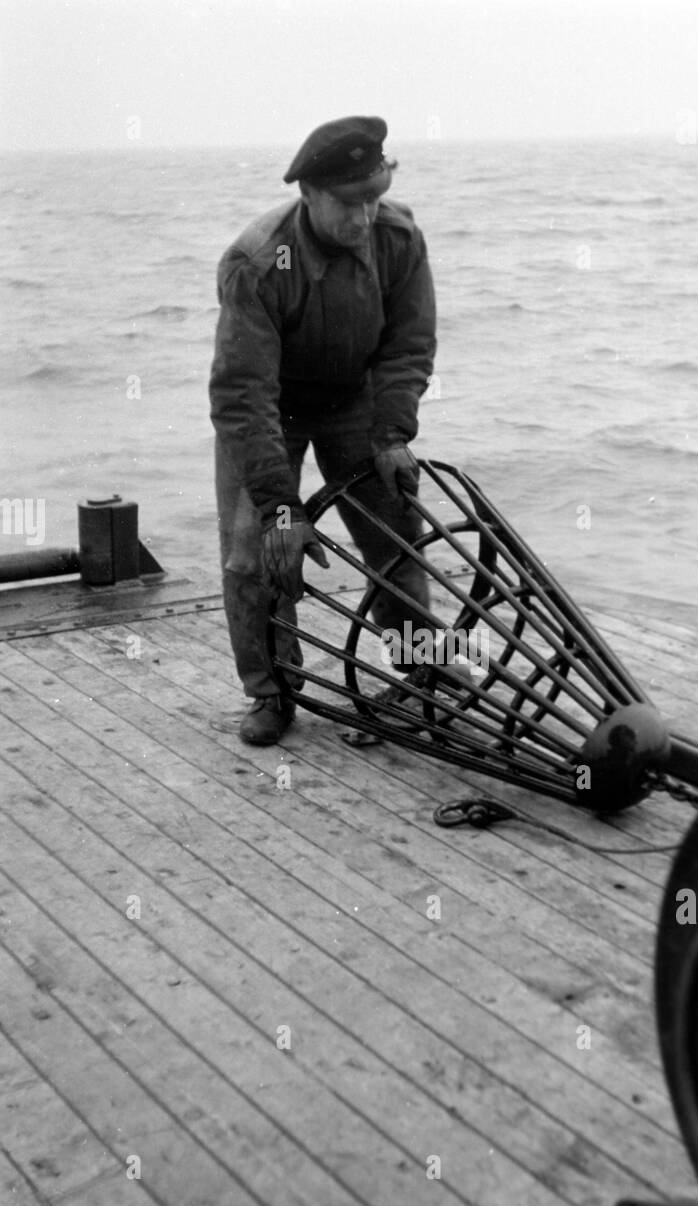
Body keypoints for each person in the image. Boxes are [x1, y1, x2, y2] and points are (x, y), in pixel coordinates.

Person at [209, 115, 437, 744]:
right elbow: (242, 394)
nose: (364, 219)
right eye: (348, 204)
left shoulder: (398, 237)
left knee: (397, 538)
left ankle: (421, 676)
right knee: (254, 553)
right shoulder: (257, 262)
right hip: (268, 410)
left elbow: (408, 344)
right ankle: (272, 693)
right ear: (307, 193)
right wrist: (282, 507)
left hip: (355, 400)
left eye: (375, 199)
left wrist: (392, 433)